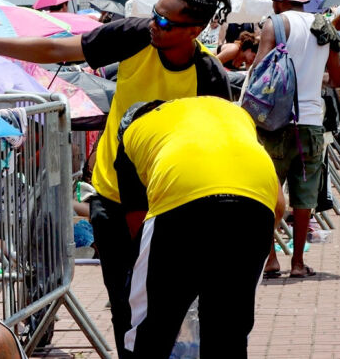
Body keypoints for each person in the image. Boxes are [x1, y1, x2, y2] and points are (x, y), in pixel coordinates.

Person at [0, 0, 232, 358]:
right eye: (154, 14)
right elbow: (56, 48)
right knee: (123, 303)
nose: (154, 24)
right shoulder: (135, 35)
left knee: (165, 306)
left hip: (169, 206)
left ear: (194, 31)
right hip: (112, 196)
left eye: (166, 22)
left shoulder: (209, 77)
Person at [114, 97, 281, 358]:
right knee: (228, 331)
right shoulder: (230, 112)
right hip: (255, 206)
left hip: (182, 205)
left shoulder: (132, 134)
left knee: (153, 327)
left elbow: (138, 222)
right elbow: (278, 204)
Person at [255, 0, 340, 279]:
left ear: (278, 1)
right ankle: (297, 262)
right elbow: (339, 79)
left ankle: (269, 259)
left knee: (267, 190)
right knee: (304, 193)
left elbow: (258, 72)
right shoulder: (325, 28)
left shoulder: (275, 25)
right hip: (310, 121)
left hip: (274, 122)